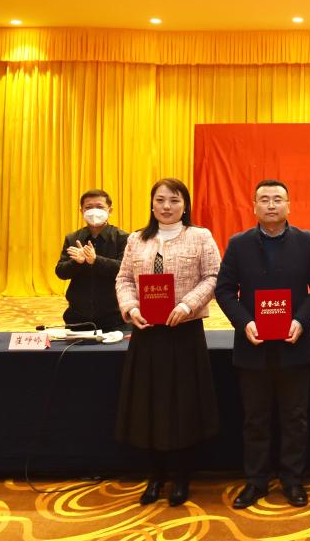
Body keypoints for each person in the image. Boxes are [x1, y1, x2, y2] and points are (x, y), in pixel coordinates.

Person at [215, 179, 310, 509]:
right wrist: (245, 322)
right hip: (252, 346)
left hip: (295, 344)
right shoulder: (238, 244)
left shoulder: (307, 241)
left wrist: (301, 320)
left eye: (277, 199)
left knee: (295, 418)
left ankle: (293, 480)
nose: (270, 205)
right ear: (254, 206)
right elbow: (224, 290)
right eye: (264, 199)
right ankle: (256, 481)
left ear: (289, 205)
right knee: (255, 419)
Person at [115, 178, 221, 507]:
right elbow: (124, 279)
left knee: (183, 406)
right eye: (160, 200)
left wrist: (187, 305)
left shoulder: (200, 237)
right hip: (147, 334)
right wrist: (131, 308)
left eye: (174, 200)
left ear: (184, 205)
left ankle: (182, 476)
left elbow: (213, 276)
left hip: (183, 333)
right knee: (148, 405)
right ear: (152, 204)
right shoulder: (136, 239)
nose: (166, 206)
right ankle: (156, 475)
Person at [55, 189, 129, 332]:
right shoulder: (73, 238)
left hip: (115, 318)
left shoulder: (123, 238)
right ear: (81, 211)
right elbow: (61, 272)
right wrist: (77, 262)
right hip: (78, 317)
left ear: (110, 210)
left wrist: (96, 260)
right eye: (88, 207)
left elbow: (125, 270)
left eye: (100, 207)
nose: (94, 211)